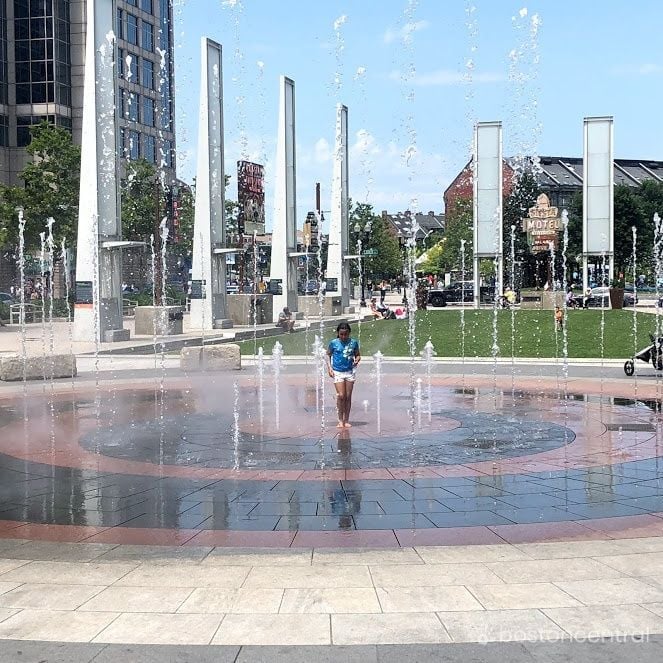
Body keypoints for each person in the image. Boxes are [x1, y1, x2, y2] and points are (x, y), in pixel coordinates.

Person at [326, 322, 361, 428]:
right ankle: (340, 419)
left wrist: (357, 360)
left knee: (348, 396)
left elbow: (358, 355)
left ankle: (346, 420)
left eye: (345, 334)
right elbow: (328, 355)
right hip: (337, 372)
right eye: (341, 334)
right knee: (341, 396)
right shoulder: (333, 343)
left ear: (349, 333)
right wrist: (329, 368)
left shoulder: (353, 343)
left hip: (350, 372)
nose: (343, 337)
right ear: (338, 333)